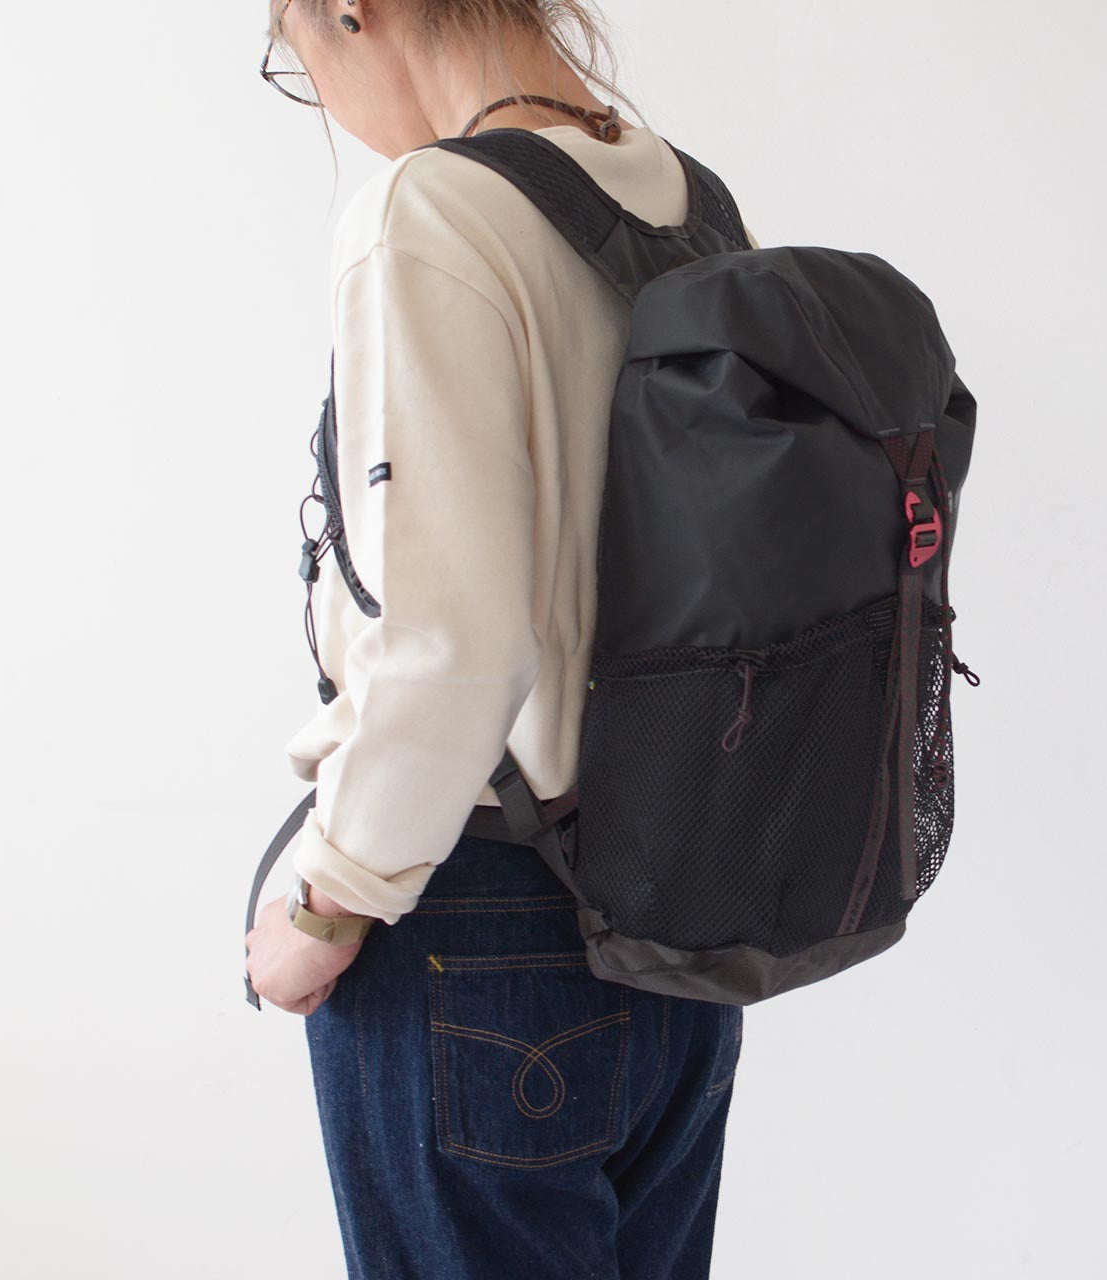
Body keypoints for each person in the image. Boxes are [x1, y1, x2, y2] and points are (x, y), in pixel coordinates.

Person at [244, 3, 752, 1276]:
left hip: (476, 924)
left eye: (297, 60)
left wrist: (325, 903)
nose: (325, 101)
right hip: (676, 921)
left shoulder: (429, 210)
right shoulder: (682, 196)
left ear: (350, 13)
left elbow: (452, 639)